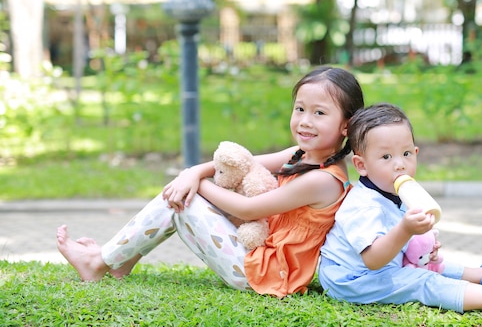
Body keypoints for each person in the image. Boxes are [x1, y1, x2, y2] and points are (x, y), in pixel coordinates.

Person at [56, 66, 364, 298]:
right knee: (183, 193)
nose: (305, 120)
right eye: (300, 109)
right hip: (257, 256)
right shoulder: (301, 153)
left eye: (319, 113)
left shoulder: (324, 179)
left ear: (346, 125)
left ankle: (99, 263)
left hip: (263, 273)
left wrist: (196, 183)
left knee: (183, 202)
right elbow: (246, 162)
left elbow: (246, 209)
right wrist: (192, 172)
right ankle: (119, 262)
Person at [318, 103, 482, 317]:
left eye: (406, 154)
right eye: (386, 157)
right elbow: (373, 259)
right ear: (361, 165)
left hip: (380, 265)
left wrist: (424, 248)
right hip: (352, 278)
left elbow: (400, 243)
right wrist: (406, 230)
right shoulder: (363, 206)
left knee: (431, 263)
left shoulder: (396, 192)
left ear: (416, 152)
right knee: (421, 280)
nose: (399, 164)